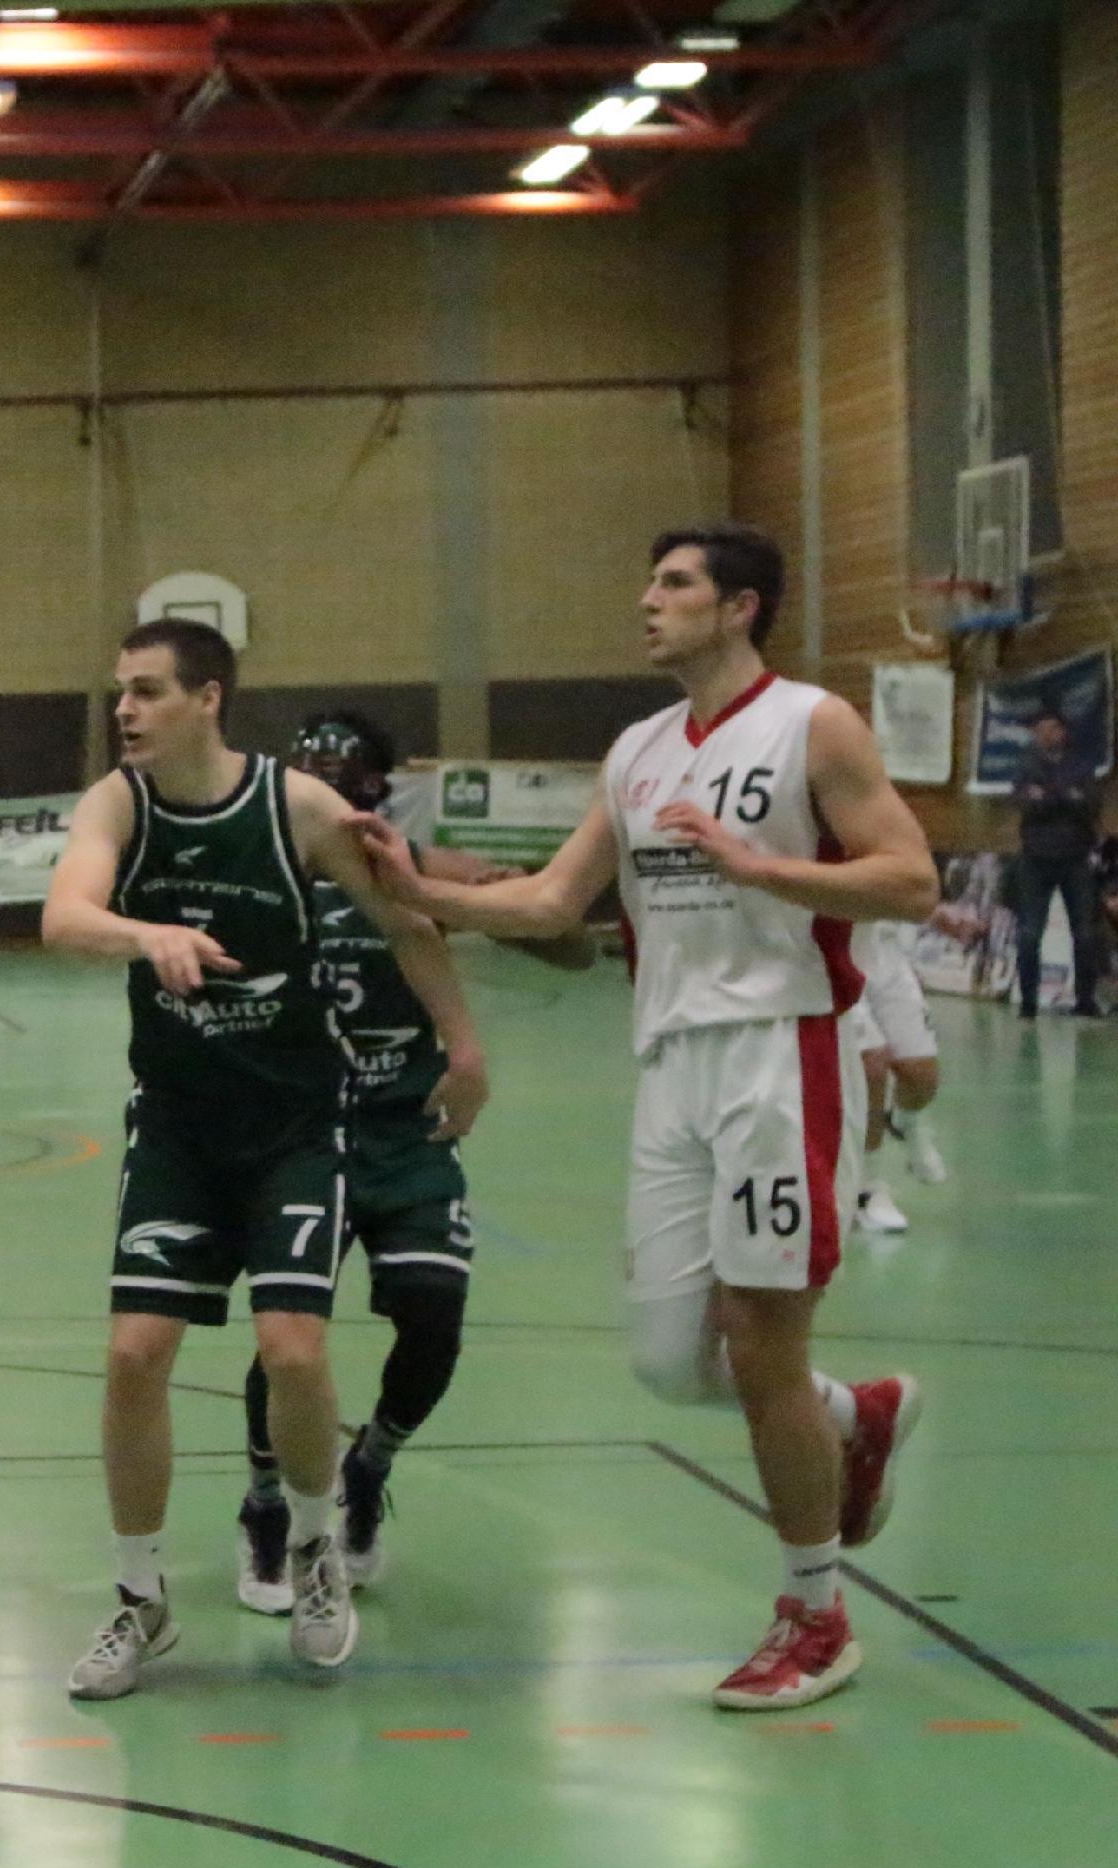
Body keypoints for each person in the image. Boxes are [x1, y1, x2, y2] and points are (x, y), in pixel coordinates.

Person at [352, 522, 933, 1711]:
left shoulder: (812, 723)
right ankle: (851, 1417)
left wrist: (768, 869)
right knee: (671, 1359)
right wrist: (423, 893)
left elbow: (910, 878)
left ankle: (816, 1612)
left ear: (742, 607)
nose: (648, 600)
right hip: (670, 1065)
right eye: (651, 579)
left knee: (763, 1343)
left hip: (781, 1051)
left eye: (675, 584)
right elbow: (559, 899)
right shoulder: (637, 749)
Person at [42, 621, 488, 1698]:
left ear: (209, 698)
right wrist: (145, 936)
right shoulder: (121, 801)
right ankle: (140, 1600)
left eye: (147, 692)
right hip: (180, 1123)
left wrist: (463, 1044)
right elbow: (64, 914)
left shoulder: (300, 807)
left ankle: (313, 1544)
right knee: (135, 1354)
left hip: (296, 1123)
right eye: (120, 693)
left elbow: (406, 921)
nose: (126, 711)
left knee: (292, 1349)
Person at [230, 711, 586, 1613]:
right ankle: (265, 1503)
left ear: (379, 788)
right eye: (306, 763)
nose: (322, 779)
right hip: (297, 1129)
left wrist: (472, 897)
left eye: (341, 767)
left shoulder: (419, 865)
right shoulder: (261, 865)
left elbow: (573, 949)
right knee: (289, 1340)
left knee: (433, 1315)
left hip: (404, 1125)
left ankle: (370, 1464)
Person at [845, 911, 946, 1235]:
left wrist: (932, 910)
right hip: (835, 944)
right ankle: (867, 1189)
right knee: (871, 1066)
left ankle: (905, 1122)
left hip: (886, 949)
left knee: (922, 1076)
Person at [1008, 711, 1103, 1017]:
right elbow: (1024, 803)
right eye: (1040, 730)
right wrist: (1064, 796)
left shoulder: (1081, 764)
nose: (1046, 735)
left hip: (1075, 859)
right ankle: (1028, 1002)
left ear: (1063, 732)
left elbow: (1089, 805)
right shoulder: (1026, 765)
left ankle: (1085, 1001)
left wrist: (1047, 797)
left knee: (1085, 934)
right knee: (1029, 933)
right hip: (1035, 859)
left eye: (1052, 729)